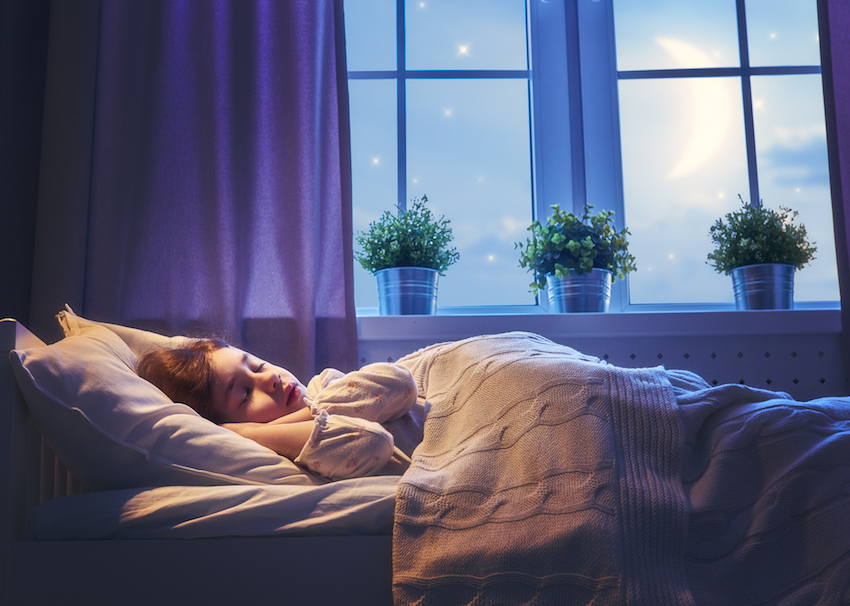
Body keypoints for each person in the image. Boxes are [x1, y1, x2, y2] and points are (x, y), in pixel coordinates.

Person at [137, 339, 423, 480]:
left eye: (257, 365)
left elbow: (401, 383)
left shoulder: (324, 385)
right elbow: (373, 441)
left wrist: (311, 408)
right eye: (246, 393)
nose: (270, 378)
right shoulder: (301, 452)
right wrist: (251, 434)